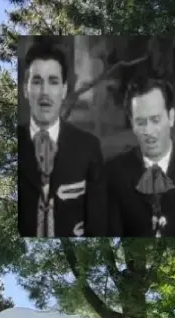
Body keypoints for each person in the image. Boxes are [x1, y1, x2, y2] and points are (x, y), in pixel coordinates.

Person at [105, 76, 175, 237]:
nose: (149, 131)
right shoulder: (113, 174)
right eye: (141, 122)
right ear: (132, 123)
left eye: (155, 120)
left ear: (171, 117)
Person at [17, 40, 106, 237]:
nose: (45, 92)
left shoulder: (89, 147)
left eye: (53, 82)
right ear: (25, 89)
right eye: (37, 81)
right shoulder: (12, 146)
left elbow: (99, 224)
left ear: (64, 90)